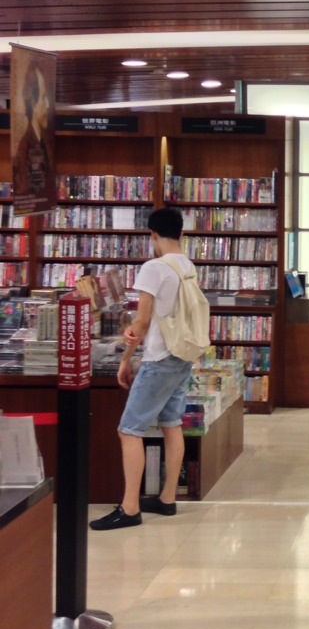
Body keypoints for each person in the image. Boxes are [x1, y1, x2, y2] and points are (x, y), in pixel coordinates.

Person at [90, 207, 198, 531]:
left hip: (159, 357)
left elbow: (142, 321)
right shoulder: (187, 265)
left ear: (152, 235)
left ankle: (130, 507)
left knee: (129, 430)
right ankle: (167, 498)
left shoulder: (154, 267)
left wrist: (126, 358)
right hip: (182, 355)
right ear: (181, 233)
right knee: (172, 424)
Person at [12, 61, 53, 204]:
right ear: (33, 105)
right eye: (44, 97)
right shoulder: (25, 148)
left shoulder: (44, 140)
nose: (48, 104)